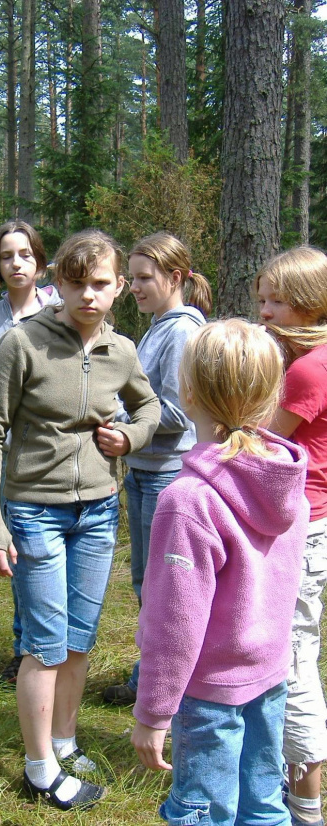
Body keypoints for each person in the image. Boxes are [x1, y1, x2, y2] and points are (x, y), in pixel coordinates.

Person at [0, 229, 160, 810]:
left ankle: (63, 739)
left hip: (100, 512)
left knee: (79, 639)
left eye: (101, 284)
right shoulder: (21, 343)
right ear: (58, 282)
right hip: (35, 513)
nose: (88, 296)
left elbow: (152, 405)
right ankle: (39, 768)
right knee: (45, 644)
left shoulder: (122, 350)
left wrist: (129, 436)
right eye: (77, 284)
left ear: (119, 287)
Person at [131, 319, 310, 826]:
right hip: (272, 677)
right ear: (272, 392)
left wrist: (153, 711)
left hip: (208, 693)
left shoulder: (187, 501)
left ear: (186, 392)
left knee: (205, 813)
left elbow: (175, 623)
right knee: (263, 804)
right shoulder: (286, 479)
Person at [104, 231, 212, 706]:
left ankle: (164, 681)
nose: (135, 287)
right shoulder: (158, 325)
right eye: (132, 278)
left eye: (144, 278)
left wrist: (124, 421)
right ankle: (152, 672)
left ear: (175, 277)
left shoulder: (184, 331)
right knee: (148, 581)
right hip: (146, 469)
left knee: (165, 585)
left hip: (167, 471)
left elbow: (177, 411)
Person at [256, 246, 327, 826]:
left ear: (308, 303)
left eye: (276, 300)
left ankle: (305, 795)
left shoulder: (307, 369)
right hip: (312, 523)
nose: (265, 311)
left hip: (303, 524)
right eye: (261, 299)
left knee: (295, 656)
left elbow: (268, 442)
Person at [0, 219, 60, 685]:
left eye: (25, 254)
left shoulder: (61, 310)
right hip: (6, 453)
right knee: (18, 546)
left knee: (47, 549)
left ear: (40, 262)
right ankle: (23, 645)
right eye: (7, 255)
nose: (16, 263)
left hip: (51, 453)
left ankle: (53, 644)